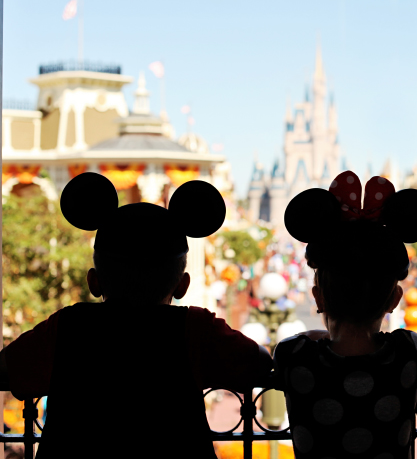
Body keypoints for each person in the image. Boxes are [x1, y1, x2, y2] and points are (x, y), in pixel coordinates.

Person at [0, 173, 272, 459]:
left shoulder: (68, 327)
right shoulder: (194, 329)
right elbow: (260, 363)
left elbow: (7, 369)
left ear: (94, 282)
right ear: (182, 286)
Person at [274, 171, 417, 459]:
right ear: (395, 301)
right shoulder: (409, 349)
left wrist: (315, 337)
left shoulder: (293, 354)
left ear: (318, 297)